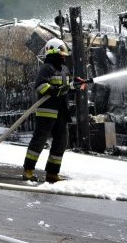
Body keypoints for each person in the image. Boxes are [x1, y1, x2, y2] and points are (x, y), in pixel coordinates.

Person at [22, 38, 82, 183]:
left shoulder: (65, 70)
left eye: (64, 53)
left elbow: (67, 89)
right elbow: (40, 86)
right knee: (39, 142)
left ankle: (52, 173)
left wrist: (77, 85)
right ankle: (28, 170)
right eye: (61, 53)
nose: (63, 56)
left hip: (62, 112)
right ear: (53, 52)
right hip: (47, 112)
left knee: (61, 143)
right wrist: (56, 90)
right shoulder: (47, 68)